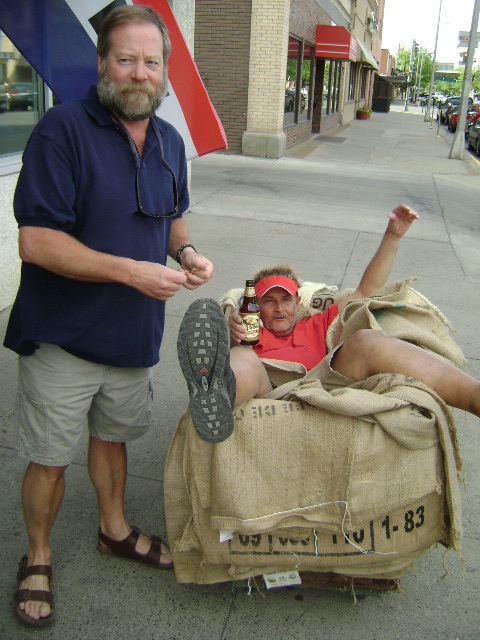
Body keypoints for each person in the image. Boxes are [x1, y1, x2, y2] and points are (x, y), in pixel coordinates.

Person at [4, 5, 214, 627]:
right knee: (48, 455)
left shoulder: (171, 139)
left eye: (151, 62)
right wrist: (131, 271)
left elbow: (171, 214)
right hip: (64, 335)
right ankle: (37, 555)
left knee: (113, 438)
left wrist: (187, 252)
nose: (138, 73)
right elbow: (36, 241)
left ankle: (113, 529)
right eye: (125, 59)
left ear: (165, 71)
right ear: (102, 64)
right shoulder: (61, 131)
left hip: (132, 333)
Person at [178, 203, 480, 444]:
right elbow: (239, 341)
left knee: (367, 341)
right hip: (269, 385)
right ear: (257, 307)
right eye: (269, 302)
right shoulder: (249, 331)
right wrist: (231, 332)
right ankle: (216, 394)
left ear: (298, 303)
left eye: (286, 300)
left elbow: (366, 292)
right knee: (242, 357)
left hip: (323, 381)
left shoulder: (318, 323)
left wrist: (393, 236)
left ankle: (473, 396)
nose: (279, 309)